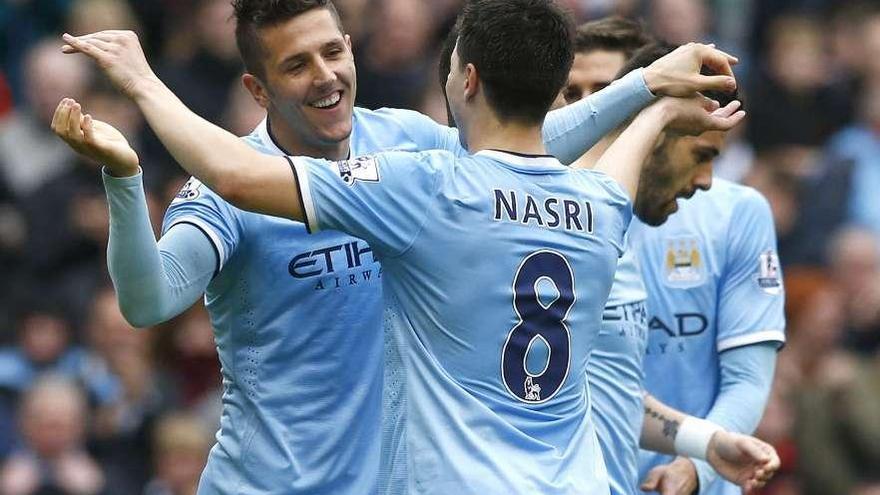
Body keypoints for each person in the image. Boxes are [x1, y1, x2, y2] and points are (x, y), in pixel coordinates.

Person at [56, 0, 747, 492]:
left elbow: (517, 148)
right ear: (256, 89)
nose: (325, 75)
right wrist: (124, 177)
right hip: (269, 482)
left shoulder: (408, 150)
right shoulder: (223, 186)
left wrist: (646, 86)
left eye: (333, 51)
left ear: (353, 50)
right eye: (297, 65)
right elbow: (148, 303)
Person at [613, 47, 785, 495]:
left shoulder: (736, 214)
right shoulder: (570, 225)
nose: (707, 178)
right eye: (701, 154)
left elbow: (748, 379)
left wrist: (696, 463)